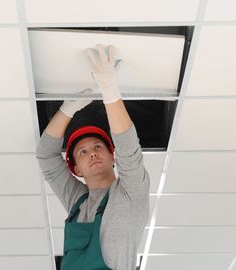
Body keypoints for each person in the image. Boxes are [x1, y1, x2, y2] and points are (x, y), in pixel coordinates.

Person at [36, 44, 150, 270]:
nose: (93, 153)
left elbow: (129, 149)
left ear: (112, 157)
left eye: (98, 146)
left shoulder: (131, 192)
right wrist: (68, 109)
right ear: (76, 169)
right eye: (83, 152)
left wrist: (109, 89)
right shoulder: (78, 202)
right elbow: (46, 155)